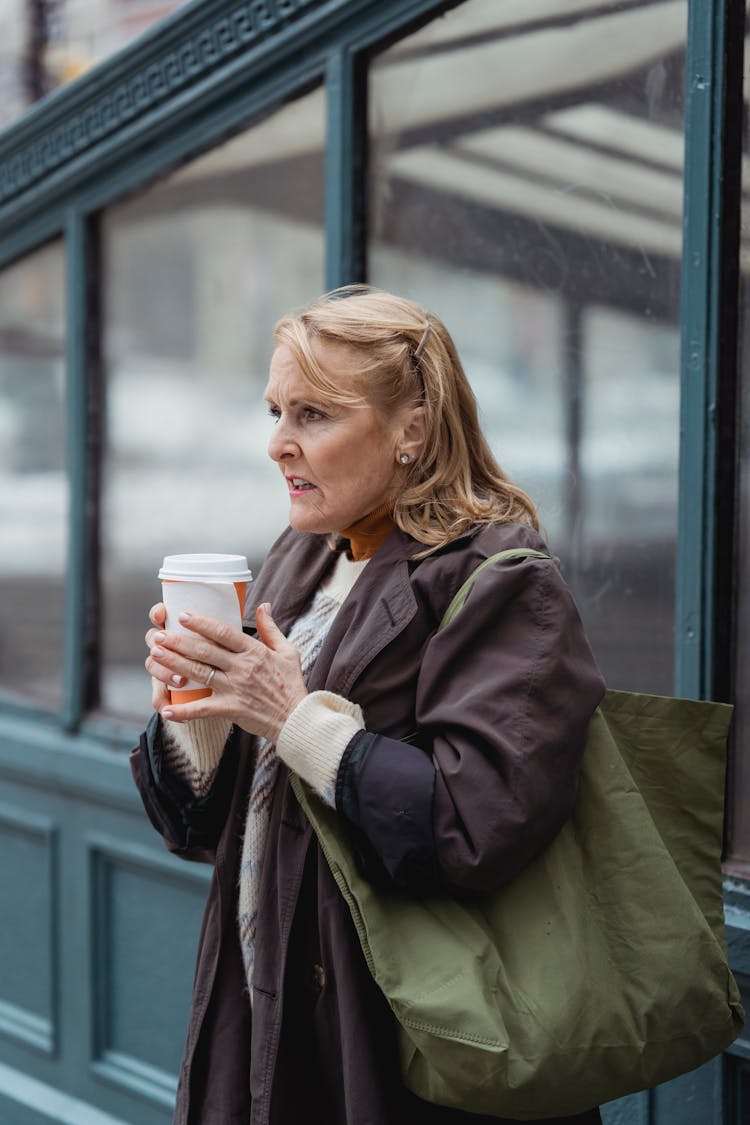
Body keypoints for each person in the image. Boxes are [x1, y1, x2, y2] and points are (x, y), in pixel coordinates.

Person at [131, 286, 606, 1125]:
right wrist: (194, 711)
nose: (278, 443)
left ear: (412, 430)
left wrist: (292, 716)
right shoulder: (299, 559)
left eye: (314, 414)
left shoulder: (501, 578)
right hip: (264, 1020)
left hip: (405, 1048)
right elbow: (205, 827)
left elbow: (474, 827)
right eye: (276, 410)